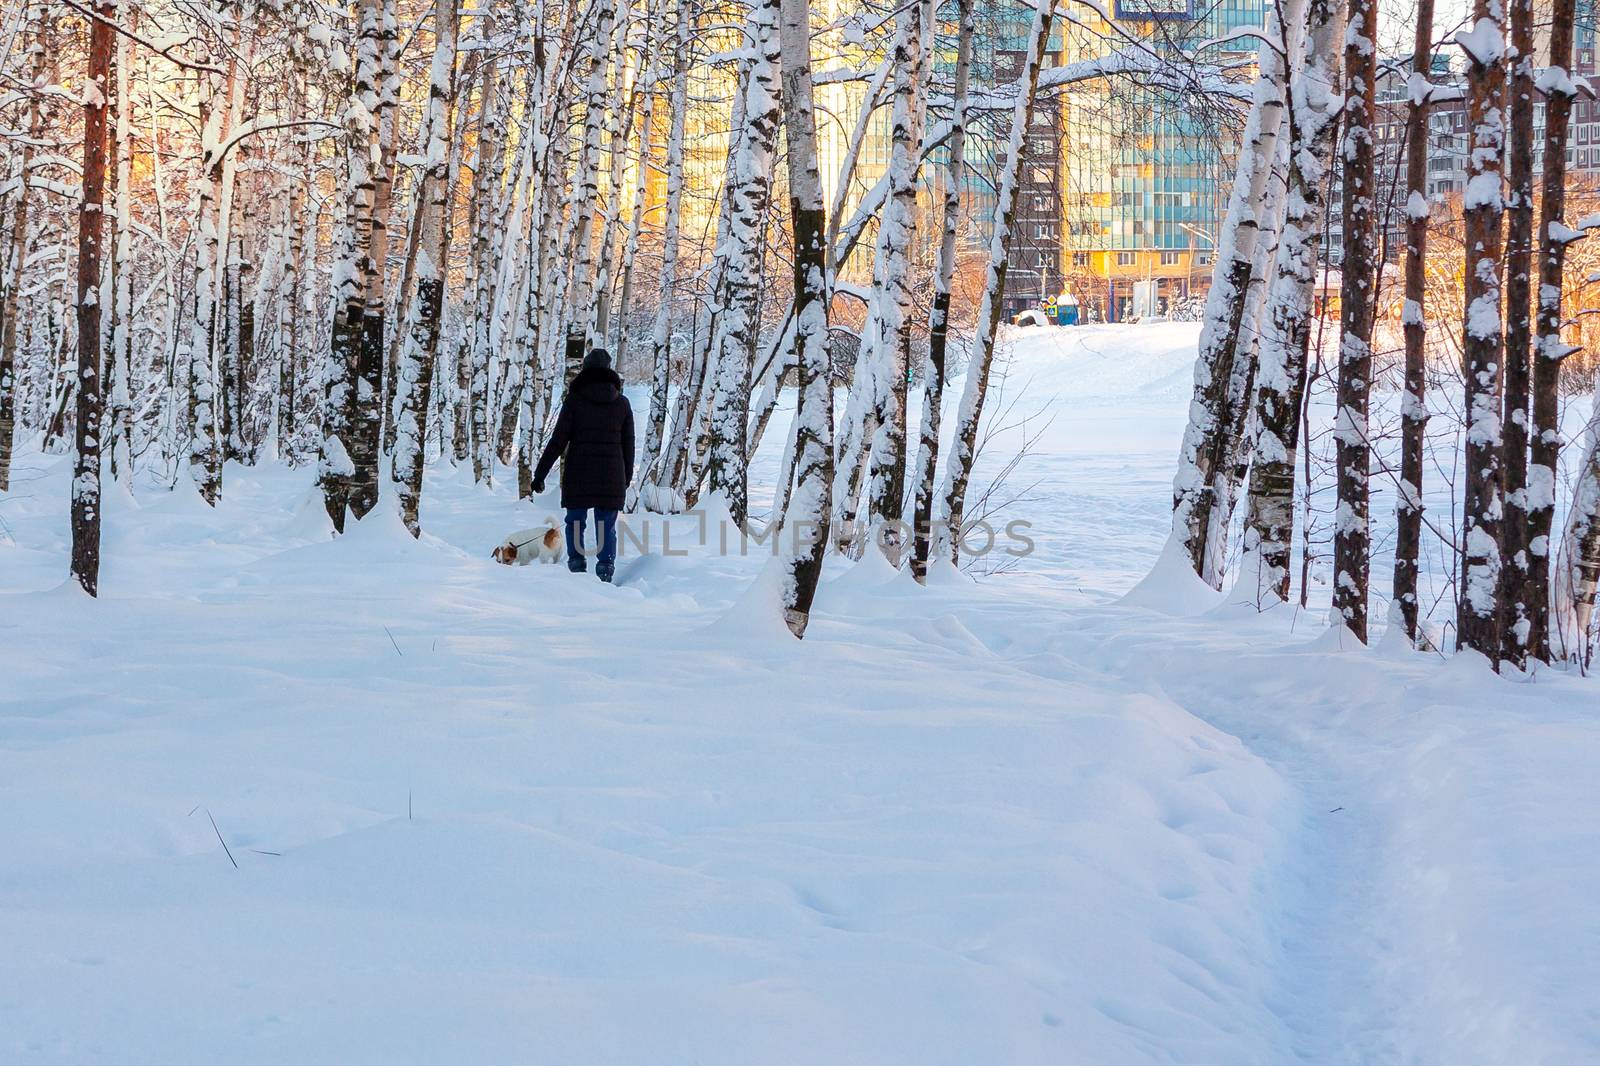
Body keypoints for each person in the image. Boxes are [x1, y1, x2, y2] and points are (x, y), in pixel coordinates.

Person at [532, 348, 634, 583]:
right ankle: (605, 569)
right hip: (612, 474)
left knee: (575, 521)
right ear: (609, 371)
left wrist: (540, 475)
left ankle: (577, 567)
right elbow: (629, 444)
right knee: (606, 525)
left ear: (586, 370)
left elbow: (558, 440)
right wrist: (625, 477)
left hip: (579, 473)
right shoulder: (622, 404)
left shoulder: (575, 401)